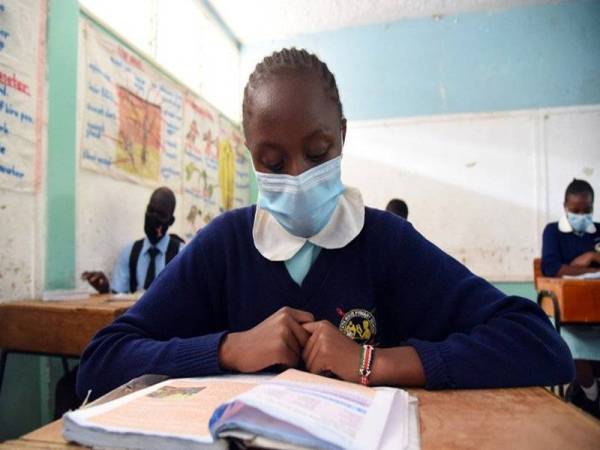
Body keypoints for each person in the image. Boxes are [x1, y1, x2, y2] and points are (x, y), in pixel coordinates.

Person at [77, 48, 573, 402]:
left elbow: (539, 344)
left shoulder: (386, 243)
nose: (297, 176)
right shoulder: (224, 246)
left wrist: (372, 362)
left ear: (342, 136)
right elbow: (101, 362)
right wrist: (230, 348)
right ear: (251, 156)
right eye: (272, 162)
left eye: (317, 154)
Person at [541, 178, 600, 417]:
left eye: (586, 210)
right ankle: (591, 395)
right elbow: (553, 268)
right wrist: (588, 261)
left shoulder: (598, 230)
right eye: (575, 210)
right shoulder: (553, 231)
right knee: (571, 341)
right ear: (565, 206)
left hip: (595, 307)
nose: (581, 215)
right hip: (569, 311)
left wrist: (581, 261)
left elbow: (567, 267)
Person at [81, 186, 184, 294]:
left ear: (171, 221)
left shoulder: (181, 255)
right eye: (150, 210)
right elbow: (118, 295)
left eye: (161, 215)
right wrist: (105, 290)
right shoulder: (129, 253)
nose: (153, 217)